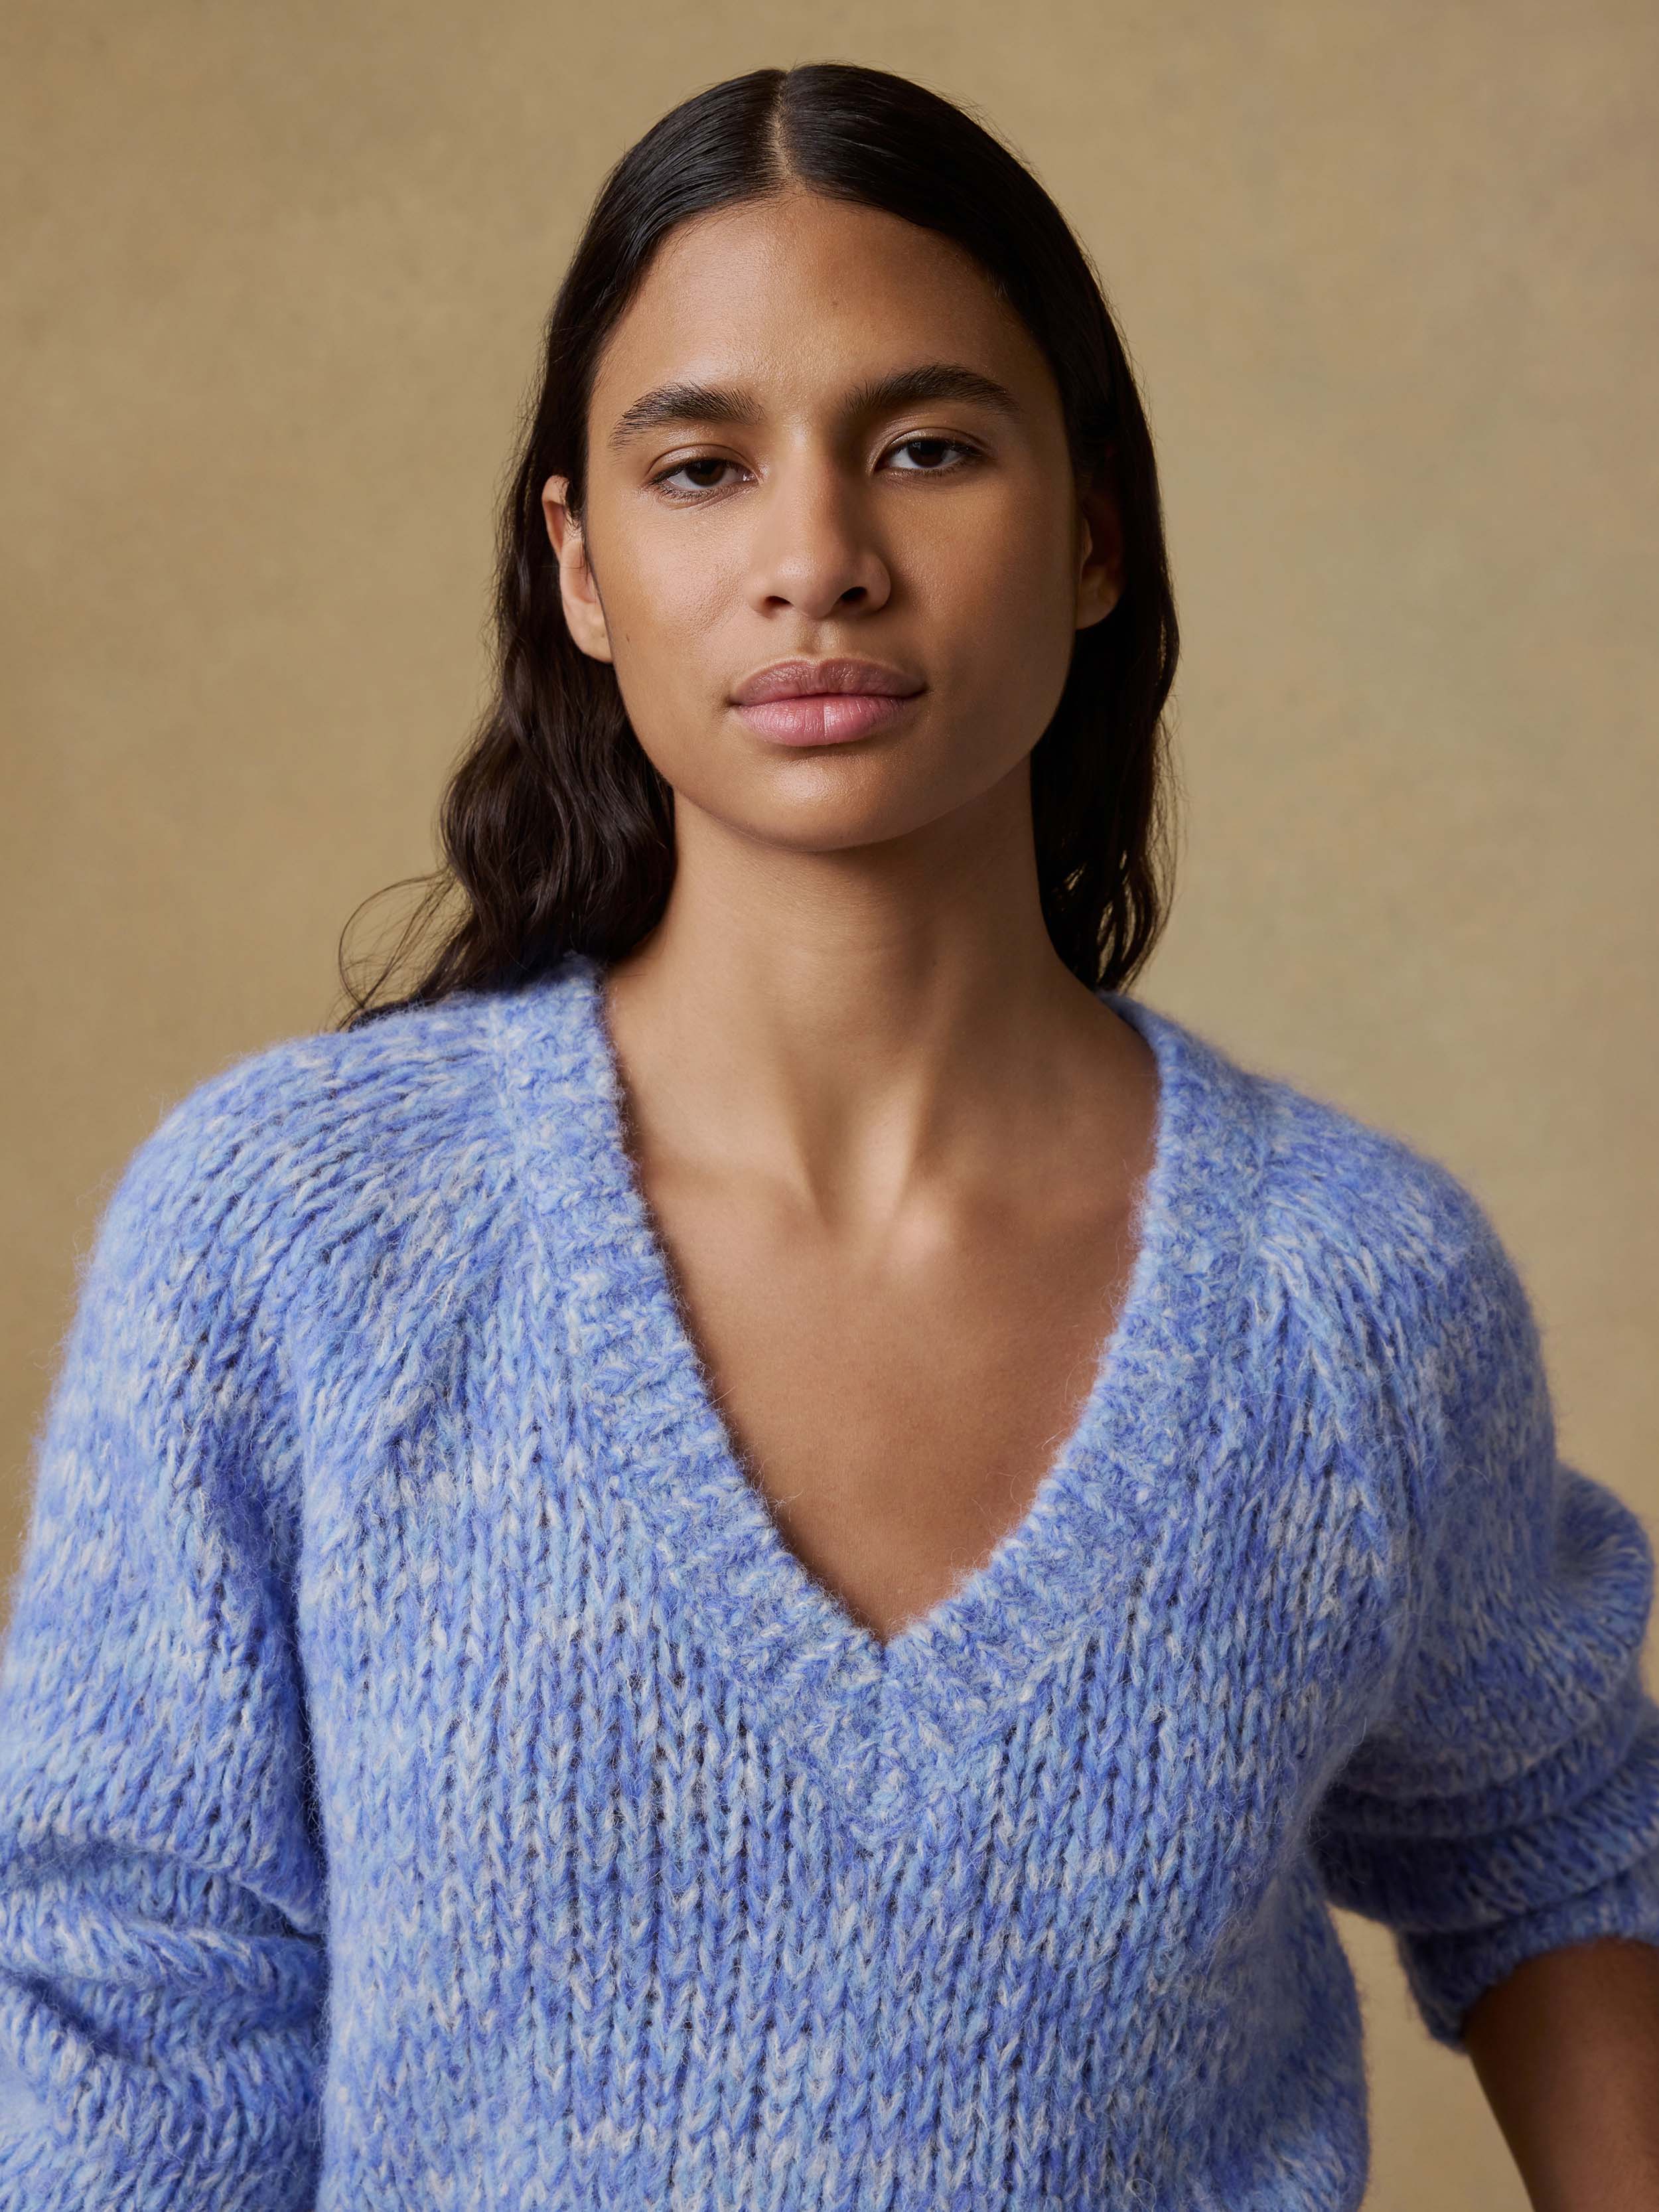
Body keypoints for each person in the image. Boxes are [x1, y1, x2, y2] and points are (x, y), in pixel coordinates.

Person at [2, 58, 1656, 2212]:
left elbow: (1550, 1838)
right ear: (581, 572)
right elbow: (130, 1998)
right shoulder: (302, 1242)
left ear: (1086, 538)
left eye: (927, 448)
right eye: (701, 465)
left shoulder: (1348, 1299)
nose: (818, 560)